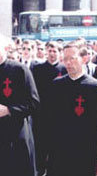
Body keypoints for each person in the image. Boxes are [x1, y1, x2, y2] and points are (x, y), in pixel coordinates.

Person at [0, 33, 39, 176]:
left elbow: (33, 103)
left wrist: (9, 110)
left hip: (14, 135)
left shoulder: (20, 70)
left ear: (6, 48)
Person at [47, 42, 97, 176]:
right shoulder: (57, 85)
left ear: (84, 58)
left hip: (86, 153)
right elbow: (49, 120)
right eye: (65, 59)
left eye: (72, 58)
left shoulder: (96, 88)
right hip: (59, 153)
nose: (68, 63)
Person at [31, 41, 67, 176]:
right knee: (40, 149)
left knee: (55, 151)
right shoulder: (38, 69)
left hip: (59, 116)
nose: (52, 54)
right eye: (50, 51)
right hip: (42, 115)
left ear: (60, 52)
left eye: (55, 51)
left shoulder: (64, 69)